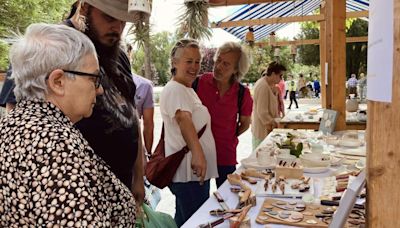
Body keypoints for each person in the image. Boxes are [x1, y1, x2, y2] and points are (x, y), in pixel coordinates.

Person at [0, 0, 145, 204]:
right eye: (110, 17)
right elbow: (19, 125)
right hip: (69, 195)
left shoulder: (119, 55)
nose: (118, 28)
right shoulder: (46, 47)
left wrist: (138, 176)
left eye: (124, 21)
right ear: (83, 8)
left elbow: (131, 113)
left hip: (119, 193)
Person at [160, 39, 218, 226]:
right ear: (175, 63)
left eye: (197, 61)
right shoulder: (175, 89)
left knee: (186, 219)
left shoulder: (186, 88)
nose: (194, 66)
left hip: (192, 173)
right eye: (189, 61)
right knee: (196, 221)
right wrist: (199, 155)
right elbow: (184, 120)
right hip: (188, 172)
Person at [194, 42, 253, 187]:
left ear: (236, 70)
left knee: (227, 200)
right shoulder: (198, 83)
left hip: (226, 155)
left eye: (226, 64)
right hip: (199, 155)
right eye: (218, 60)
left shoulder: (242, 93)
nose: (219, 66)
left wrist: (229, 136)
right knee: (197, 204)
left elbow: (245, 123)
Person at [252, 62, 287, 150]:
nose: (281, 79)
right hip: (262, 131)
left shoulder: (269, 84)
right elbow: (262, 112)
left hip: (266, 129)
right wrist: (275, 122)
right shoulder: (263, 86)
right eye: (280, 76)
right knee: (260, 158)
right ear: (273, 74)